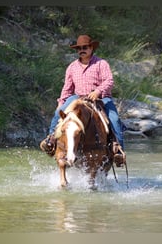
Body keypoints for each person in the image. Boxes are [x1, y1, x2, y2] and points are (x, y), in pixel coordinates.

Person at [40, 34, 126, 164]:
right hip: (78, 97)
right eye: (79, 48)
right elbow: (67, 88)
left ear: (91, 48)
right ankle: (51, 139)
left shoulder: (101, 64)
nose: (82, 50)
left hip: (101, 98)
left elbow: (109, 81)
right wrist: (61, 102)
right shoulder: (72, 67)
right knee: (59, 113)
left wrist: (98, 91)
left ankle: (118, 151)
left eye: (85, 47)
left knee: (114, 119)